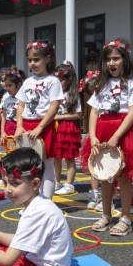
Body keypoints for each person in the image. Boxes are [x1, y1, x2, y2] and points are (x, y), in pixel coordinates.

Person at [80, 40, 133, 235]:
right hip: (102, 131)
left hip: (123, 132)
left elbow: (132, 113)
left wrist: (115, 137)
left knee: (123, 177)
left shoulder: (132, 84)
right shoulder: (101, 84)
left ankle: (125, 218)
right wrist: (93, 135)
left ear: (125, 59)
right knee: (104, 175)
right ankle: (106, 214)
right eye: (108, 59)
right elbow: (93, 112)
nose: (112, 63)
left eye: (116, 58)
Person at [15, 40, 63, 198]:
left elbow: (54, 107)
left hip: (43, 126)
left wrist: (40, 127)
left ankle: (46, 202)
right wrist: (19, 126)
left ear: (47, 59)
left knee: (46, 166)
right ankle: (32, 200)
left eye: (37, 59)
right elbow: (20, 106)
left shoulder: (53, 81)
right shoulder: (27, 82)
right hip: (26, 126)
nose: (32, 63)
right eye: (30, 60)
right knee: (29, 166)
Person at [54, 62, 83, 195]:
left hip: (68, 128)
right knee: (55, 157)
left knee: (69, 158)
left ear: (68, 80)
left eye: (60, 80)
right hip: (55, 128)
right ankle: (56, 182)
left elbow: (77, 114)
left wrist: (59, 117)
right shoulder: (54, 93)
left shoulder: (73, 94)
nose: (58, 83)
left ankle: (69, 184)